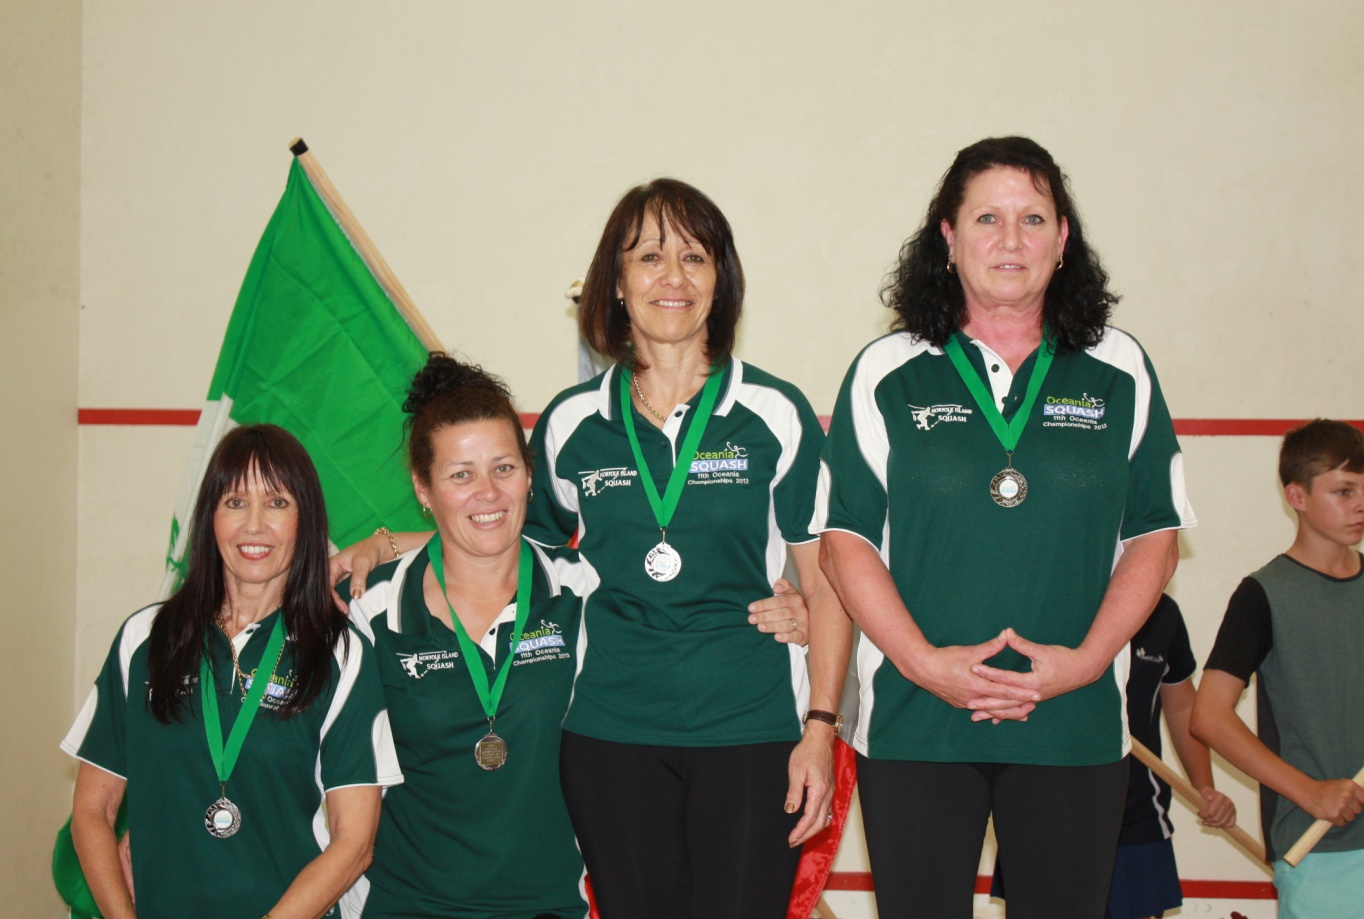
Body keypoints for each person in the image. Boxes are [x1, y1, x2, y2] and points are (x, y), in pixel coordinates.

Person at [333, 179, 849, 918]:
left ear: (720, 279)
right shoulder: (572, 422)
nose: (672, 278)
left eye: (694, 257)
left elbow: (826, 582)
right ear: (615, 283)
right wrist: (386, 543)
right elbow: (510, 542)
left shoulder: (774, 411)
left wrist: (820, 727)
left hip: (751, 727)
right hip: (611, 736)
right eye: (648, 257)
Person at [814, 136, 1194, 918]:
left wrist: (1086, 663)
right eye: (986, 217)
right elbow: (844, 541)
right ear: (947, 238)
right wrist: (923, 663)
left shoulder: (1119, 366)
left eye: (1033, 217)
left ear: (1062, 238)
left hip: (1072, 724)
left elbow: (1153, 536)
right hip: (919, 727)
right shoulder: (886, 370)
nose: (1011, 239)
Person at [63, 424, 401, 919]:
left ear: (306, 521)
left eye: (278, 503)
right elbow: (93, 811)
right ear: (210, 518)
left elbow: (354, 844)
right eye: (235, 502)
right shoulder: (145, 638)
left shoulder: (341, 651)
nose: (255, 525)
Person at [343, 355, 591, 918]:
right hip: (404, 908)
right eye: (461, 475)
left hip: (548, 907)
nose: (488, 493)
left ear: (530, 474)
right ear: (423, 489)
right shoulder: (369, 609)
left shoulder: (584, 588)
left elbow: (694, 618)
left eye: (504, 468)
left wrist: (791, 609)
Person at [1191, 419, 1364, 919]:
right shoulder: (1263, 595)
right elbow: (1209, 716)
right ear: (1297, 496)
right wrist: (1309, 792)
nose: (1362, 505)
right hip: (1323, 848)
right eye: (1343, 491)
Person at [989, 595, 1237, 919]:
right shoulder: (1046, 599)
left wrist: (1204, 786)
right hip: (1042, 811)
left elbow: (1182, 705)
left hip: (1137, 817)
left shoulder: (1162, 612)